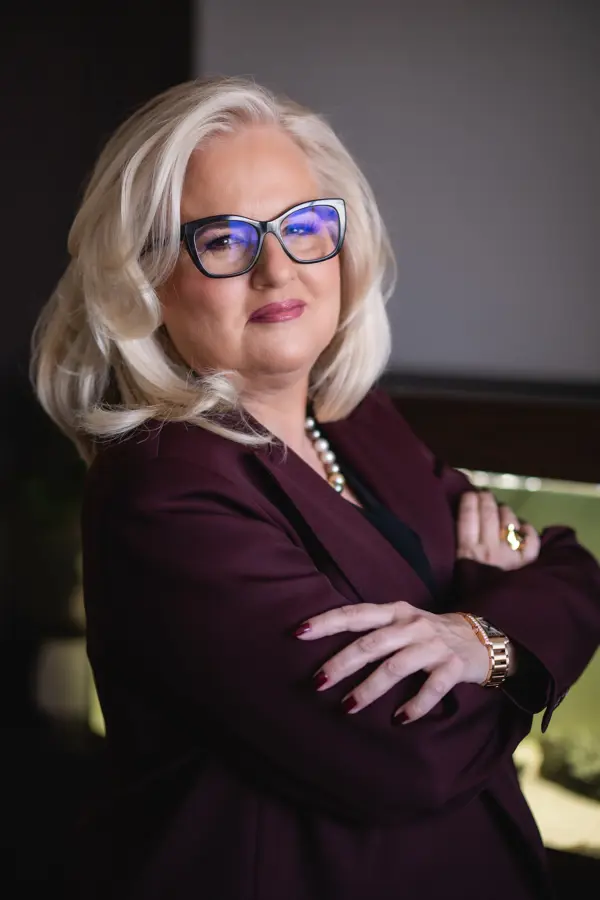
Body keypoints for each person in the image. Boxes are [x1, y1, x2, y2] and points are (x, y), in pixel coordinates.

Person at [31, 75, 600, 900]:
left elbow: (571, 564)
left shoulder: (356, 421)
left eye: (304, 227)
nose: (277, 269)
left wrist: (477, 641)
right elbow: (409, 752)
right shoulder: (162, 485)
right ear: (146, 279)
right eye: (224, 239)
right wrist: (497, 622)